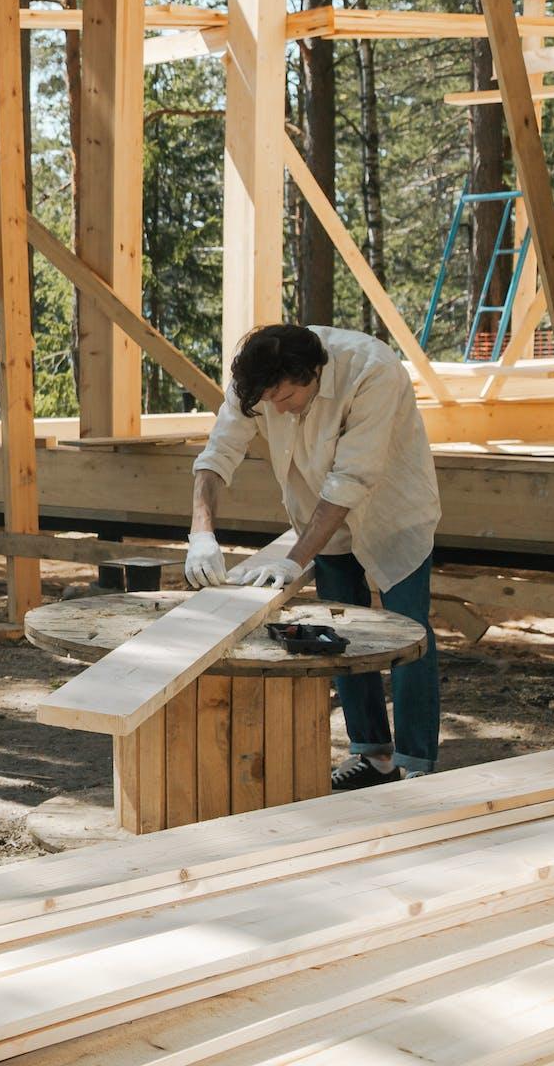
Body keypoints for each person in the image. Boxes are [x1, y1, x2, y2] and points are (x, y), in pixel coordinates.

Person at [185, 323, 442, 790]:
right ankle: (374, 756)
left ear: (313, 374)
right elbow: (218, 454)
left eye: (285, 398)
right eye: (268, 401)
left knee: (409, 635)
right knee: (336, 636)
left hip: (392, 513)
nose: (277, 409)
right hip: (320, 519)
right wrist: (201, 533)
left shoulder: (372, 370)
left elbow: (351, 479)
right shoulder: (256, 380)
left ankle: (417, 763)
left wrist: (294, 559)